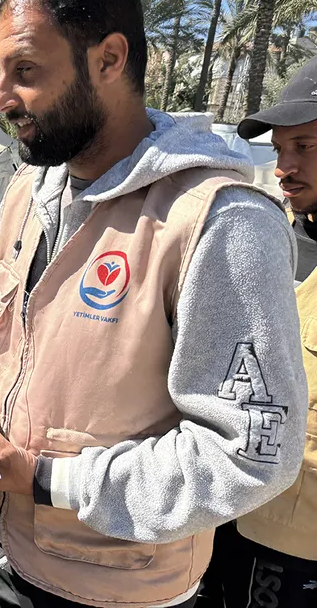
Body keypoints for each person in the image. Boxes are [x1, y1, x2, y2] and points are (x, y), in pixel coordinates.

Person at [0, 0, 307, 608]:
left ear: (109, 60)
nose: (0, 98)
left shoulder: (217, 223)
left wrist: (50, 481)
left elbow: (252, 455)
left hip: (120, 592)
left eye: (25, 71)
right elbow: (3, 331)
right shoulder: (30, 190)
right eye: (1, 72)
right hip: (3, 552)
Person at [197, 56, 317, 608]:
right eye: (280, 149)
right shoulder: (267, 242)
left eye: (306, 148)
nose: (285, 166)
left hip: (295, 540)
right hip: (222, 513)